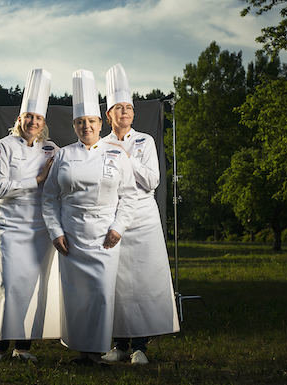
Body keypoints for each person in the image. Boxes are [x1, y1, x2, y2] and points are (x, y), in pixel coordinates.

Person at [42, 69, 137, 365]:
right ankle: (83, 352)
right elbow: (49, 198)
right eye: (81, 123)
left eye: (92, 122)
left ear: (100, 123)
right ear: (75, 125)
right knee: (76, 296)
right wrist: (55, 232)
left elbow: (130, 195)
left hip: (104, 236)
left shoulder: (117, 154)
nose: (87, 127)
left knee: (101, 295)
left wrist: (118, 228)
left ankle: (96, 351)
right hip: (70, 236)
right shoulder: (63, 155)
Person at [101, 63, 180, 365]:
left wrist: (124, 158)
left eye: (129, 108)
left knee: (144, 280)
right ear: (108, 115)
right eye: (118, 108)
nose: (125, 113)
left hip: (143, 217)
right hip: (112, 216)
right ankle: (119, 344)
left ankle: (141, 347)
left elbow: (152, 180)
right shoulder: (100, 144)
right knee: (117, 281)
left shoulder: (145, 141)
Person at [0, 68, 60, 364]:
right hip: (9, 226)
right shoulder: (1, 147)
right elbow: (1, 189)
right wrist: (37, 181)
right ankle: (0, 345)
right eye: (28, 117)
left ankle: (24, 346)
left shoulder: (51, 149)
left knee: (34, 284)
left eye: (38, 118)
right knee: (9, 282)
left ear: (43, 124)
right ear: (19, 119)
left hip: (40, 228)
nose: (32, 122)